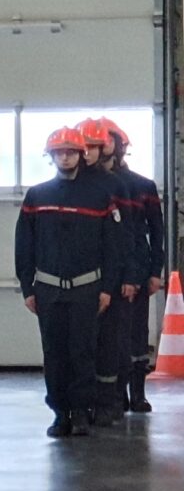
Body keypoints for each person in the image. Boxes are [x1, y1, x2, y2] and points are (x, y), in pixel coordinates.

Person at [15, 127, 121, 437]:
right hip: (48, 289)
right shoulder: (37, 196)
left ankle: (80, 412)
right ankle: (60, 412)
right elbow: (25, 245)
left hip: (87, 288)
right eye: (59, 152)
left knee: (82, 351)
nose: (65, 157)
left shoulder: (100, 196)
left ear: (81, 155)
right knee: (54, 353)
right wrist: (27, 287)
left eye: (70, 152)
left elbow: (112, 246)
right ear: (50, 157)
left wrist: (107, 288)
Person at [75, 117, 138, 426]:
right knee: (81, 345)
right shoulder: (70, 185)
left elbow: (127, 236)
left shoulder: (117, 186)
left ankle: (110, 401)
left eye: (94, 147)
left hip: (110, 277)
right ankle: (81, 403)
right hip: (79, 280)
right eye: (83, 147)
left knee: (111, 344)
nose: (87, 153)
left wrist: (128, 277)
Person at [101, 117, 162, 413]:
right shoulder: (95, 187)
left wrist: (154, 272)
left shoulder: (142, 186)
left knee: (136, 334)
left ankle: (137, 393)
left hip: (137, 270)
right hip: (104, 273)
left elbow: (156, 231)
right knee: (109, 336)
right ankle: (113, 395)